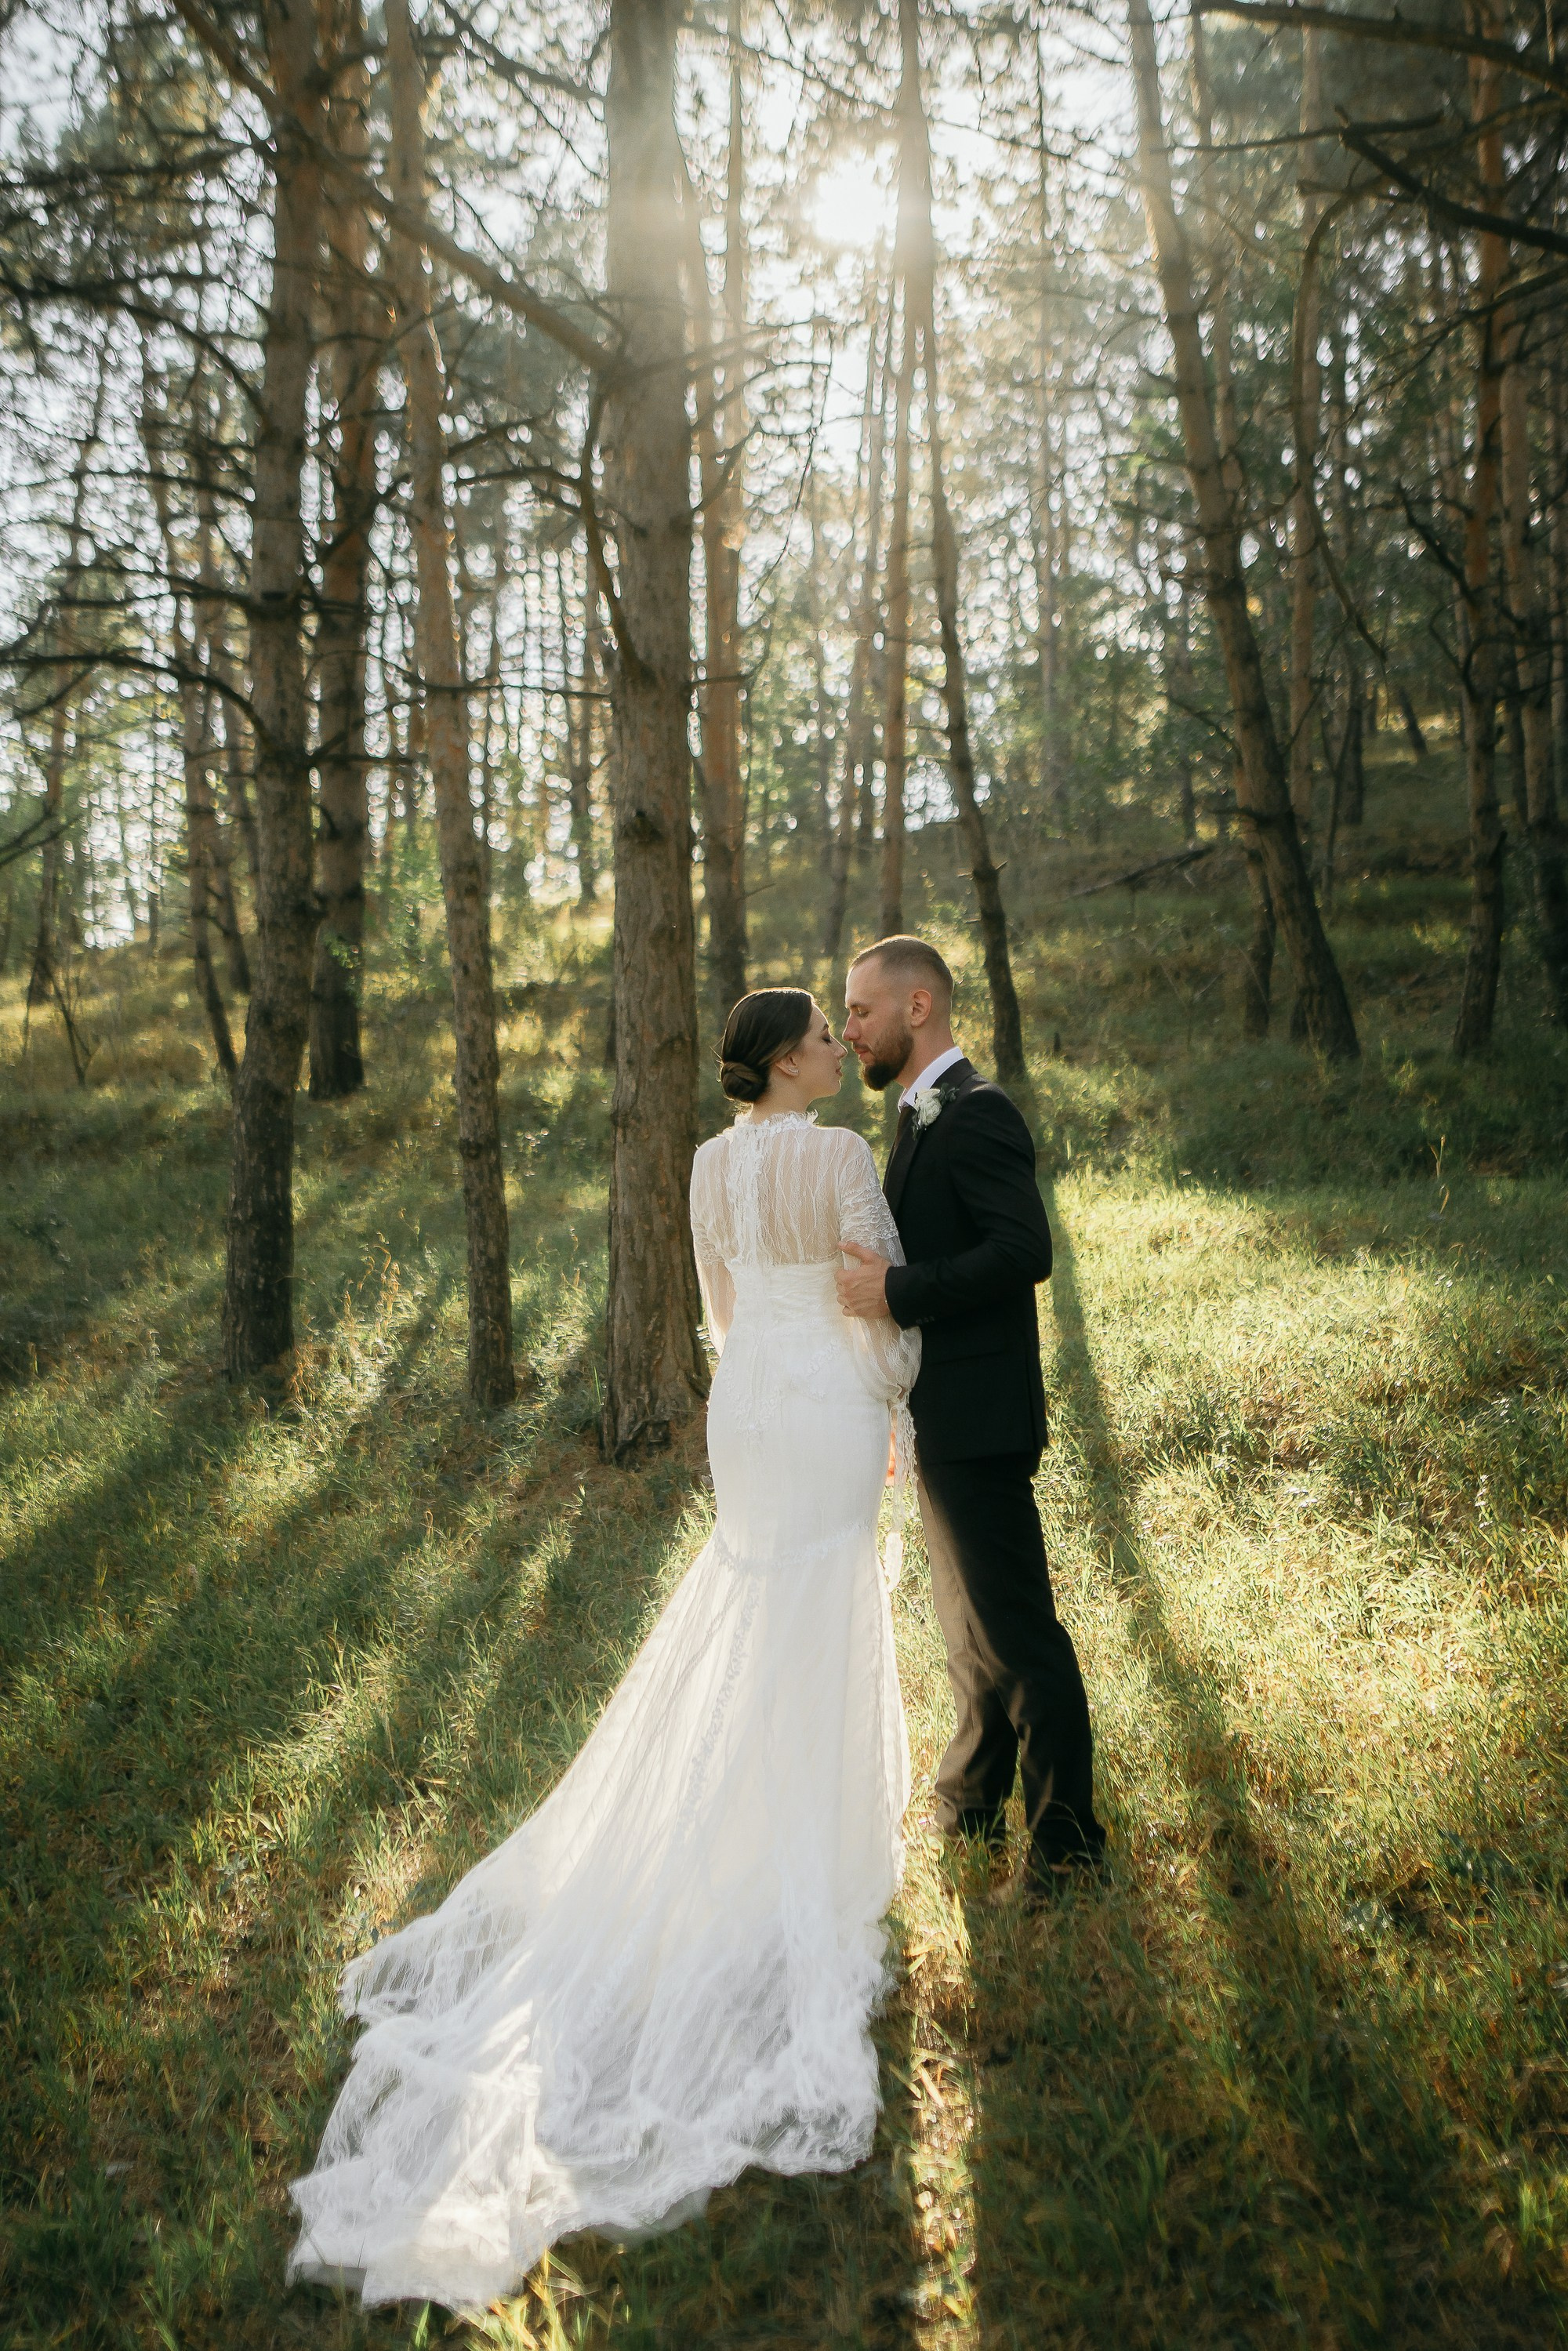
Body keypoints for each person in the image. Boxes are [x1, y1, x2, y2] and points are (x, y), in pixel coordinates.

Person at [288, 989, 919, 2311]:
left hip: (752, 1404)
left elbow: (722, 1312)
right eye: (822, 1034)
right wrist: (895, 1397)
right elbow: (879, 1311)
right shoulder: (843, 1157)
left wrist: (769, 1376)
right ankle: (809, 1847)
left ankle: (754, 1834)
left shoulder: (706, 1165)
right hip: (829, 1400)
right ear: (788, 1058)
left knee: (757, 1600)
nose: (834, 1048)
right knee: (822, 1602)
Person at [837, 934, 1105, 1904]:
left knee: (1017, 1633)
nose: (848, 1028)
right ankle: (970, 1799)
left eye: (860, 1009)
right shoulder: (918, 1113)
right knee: (965, 1627)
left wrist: (896, 1289)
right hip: (940, 1412)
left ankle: (1067, 1845)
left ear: (917, 1008)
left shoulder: (976, 1108)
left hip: (983, 1412)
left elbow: (1023, 1249)